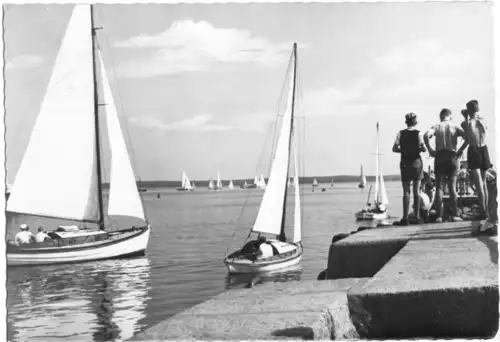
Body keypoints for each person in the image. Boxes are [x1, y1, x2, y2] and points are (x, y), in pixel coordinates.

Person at [457, 100, 494, 232]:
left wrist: (465, 118)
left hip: (474, 150)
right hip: (484, 149)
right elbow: (480, 130)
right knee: (483, 182)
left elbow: (468, 135)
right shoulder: (483, 120)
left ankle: (483, 211)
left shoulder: (466, 123)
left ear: (468, 109)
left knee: (479, 183)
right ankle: (486, 211)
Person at [424, 108, 465, 223]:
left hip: (440, 156)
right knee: (452, 187)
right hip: (452, 156)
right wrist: (461, 149)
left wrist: (430, 150)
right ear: (450, 116)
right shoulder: (455, 127)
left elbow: (426, 136)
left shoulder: (436, 127)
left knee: (439, 187)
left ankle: (439, 216)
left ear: (440, 117)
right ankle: (456, 215)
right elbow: (468, 137)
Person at [392, 113, 426, 225]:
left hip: (405, 163)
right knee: (416, 191)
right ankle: (417, 217)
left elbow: (394, 148)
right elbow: (424, 148)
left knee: (406, 191)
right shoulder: (419, 133)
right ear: (415, 122)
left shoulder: (400, 133)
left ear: (406, 122)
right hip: (416, 163)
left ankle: (405, 218)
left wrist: (405, 150)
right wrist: (416, 149)